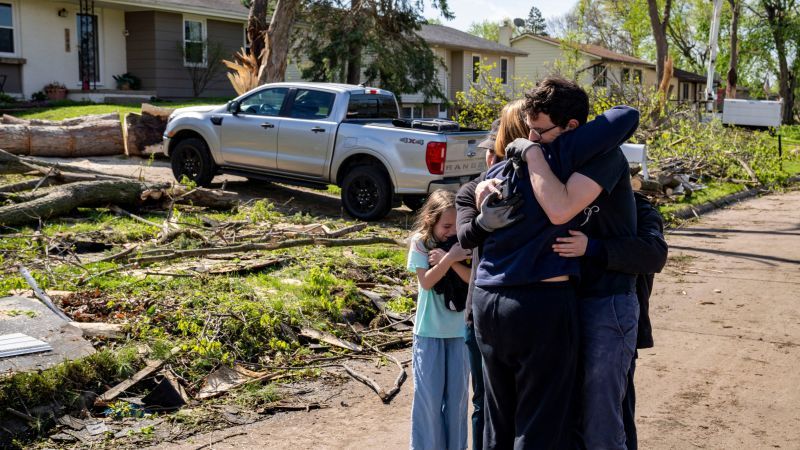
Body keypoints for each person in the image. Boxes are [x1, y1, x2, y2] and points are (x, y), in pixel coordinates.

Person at [472, 77, 640, 448]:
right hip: (549, 302)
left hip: (603, 300)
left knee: (597, 420)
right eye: (526, 130)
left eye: (540, 130)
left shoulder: (590, 156)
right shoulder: (530, 161)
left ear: (572, 128)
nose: (531, 138)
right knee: (544, 422)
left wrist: (593, 248)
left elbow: (627, 115)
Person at [553, 191, 668, 450]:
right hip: (568, 320)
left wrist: (593, 247)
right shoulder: (568, 199)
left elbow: (654, 254)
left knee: (613, 417)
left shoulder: (637, 205)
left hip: (615, 323)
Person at [454, 99, 528, 450]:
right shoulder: (472, 190)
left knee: (513, 409)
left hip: (514, 308)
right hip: (479, 312)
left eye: (492, 150)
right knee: (484, 403)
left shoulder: (535, 182)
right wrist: (485, 219)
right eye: (488, 152)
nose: (488, 158)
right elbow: (466, 235)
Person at [407, 190, 472, 450]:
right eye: (446, 226)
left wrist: (452, 259)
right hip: (429, 333)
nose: (451, 231)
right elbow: (426, 282)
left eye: (456, 225)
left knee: (457, 402)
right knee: (429, 402)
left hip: (458, 333)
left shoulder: (463, 243)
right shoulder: (420, 243)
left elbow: (472, 279)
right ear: (430, 221)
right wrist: (449, 259)